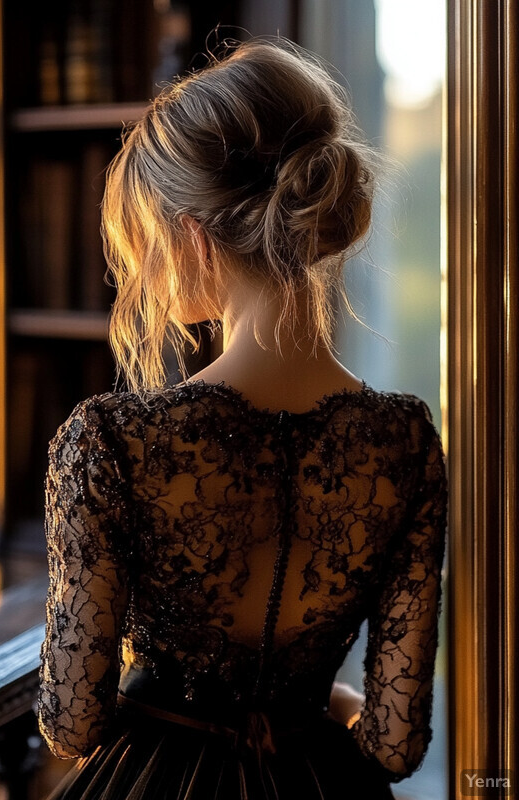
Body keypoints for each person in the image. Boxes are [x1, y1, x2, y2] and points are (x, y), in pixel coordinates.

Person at [37, 38, 447, 800]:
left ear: (190, 235)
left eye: (147, 245)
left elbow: (72, 722)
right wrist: (328, 707)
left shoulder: (111, 444)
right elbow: (394, 745)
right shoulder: (405, 441)